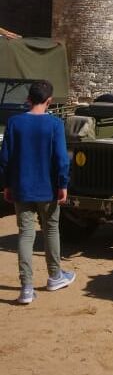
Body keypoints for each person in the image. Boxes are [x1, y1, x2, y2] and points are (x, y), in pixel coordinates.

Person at [0, 80, 75, 305]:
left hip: (21, 187)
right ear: (49, 100)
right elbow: (62, 159)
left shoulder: (14, 123)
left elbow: (5, 159)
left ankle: (26, 288)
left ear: (29, 98)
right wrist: (63, 184)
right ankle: (55, 276)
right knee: (51, 230)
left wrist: (6, 185)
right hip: (48, 188)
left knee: (25, 234)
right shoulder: (55, 124)